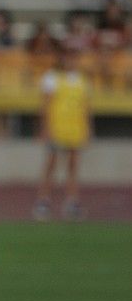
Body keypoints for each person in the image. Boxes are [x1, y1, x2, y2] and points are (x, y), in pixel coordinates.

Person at [33, 43, 91, 222]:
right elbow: (46, 105)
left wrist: (88, 127)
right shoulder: (52, 78)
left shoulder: (82, 79)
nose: (71, 60)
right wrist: (44, 128)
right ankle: (43, 200)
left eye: (74, 56)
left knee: (73, 166)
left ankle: (72, 201)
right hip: (57, 127)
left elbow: (86, 107)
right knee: (51, 165)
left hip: (75, 128)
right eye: (68, 56)